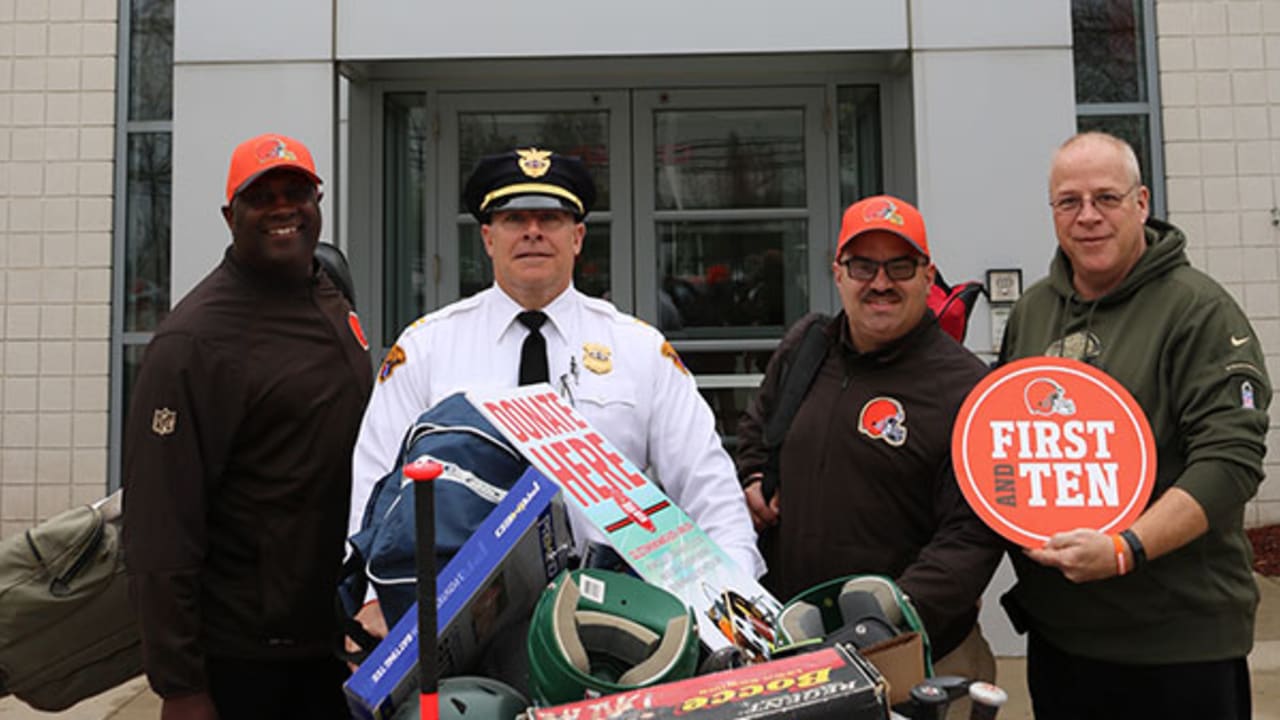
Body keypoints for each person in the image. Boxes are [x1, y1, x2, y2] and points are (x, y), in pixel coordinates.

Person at [349, 147, 764, 642]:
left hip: (613, 620)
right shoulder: (428, 348)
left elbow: (710, 491)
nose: (532, 232)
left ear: (578, 236)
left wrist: (737, 605)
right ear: (487, 237)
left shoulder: (637, 350)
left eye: (550, 217)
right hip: (462, 620)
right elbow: (375, 486)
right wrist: (375, 600)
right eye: (513, 218)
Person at [998, 131, 1271, 720]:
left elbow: (1230, 460)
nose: (1087, 216)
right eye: (1068, 202)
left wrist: (1126, 549)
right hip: (1063, 640)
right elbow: (1005, 439)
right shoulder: (1035, 311)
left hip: (1177, 647)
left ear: (1142, 202)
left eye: (1107, 198)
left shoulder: (1197, 310)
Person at [122, 133, 373, 720]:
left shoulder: (326, 289)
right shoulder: (194, 343)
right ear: (230, 215)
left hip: (331, 637)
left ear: (318, 201)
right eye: (262, 198)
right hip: (247, 658)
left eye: (297, 192)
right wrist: (180, 685)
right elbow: (159, 527)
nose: (283, 208)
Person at [736, 195, 1002, 689]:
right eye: (863, 266)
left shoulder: (967, 387)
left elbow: (972, 537)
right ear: (838, 272)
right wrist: (754, 475)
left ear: (928, 274)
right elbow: (757, 429)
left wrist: (885, 613)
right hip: (797, 651)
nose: (880, 283)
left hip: (918, 660)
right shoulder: (806, 346)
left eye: (900, 266)